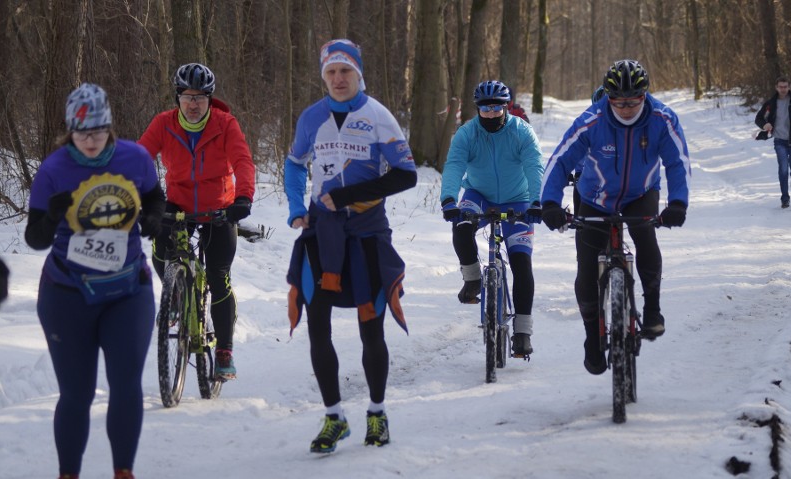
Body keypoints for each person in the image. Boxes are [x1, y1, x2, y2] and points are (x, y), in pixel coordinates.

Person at [25, 83, 165, 479]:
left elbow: (155, 197)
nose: (91, 140)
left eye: (99, 131)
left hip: (128, 291)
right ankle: (68, 473)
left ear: (110, 127)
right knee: (77, 394)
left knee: (125, 386)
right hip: (67, 295)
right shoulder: (53, 169)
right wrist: (52, 217)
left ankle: (124, 471)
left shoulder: (134, 158)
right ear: (70, 130)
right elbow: (34, 239)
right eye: (83, 133)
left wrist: (154, 218)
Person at [285, 39, 417, 453]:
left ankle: (377, 414)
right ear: (323, 76)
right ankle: (333, 417)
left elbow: (406, 175)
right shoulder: (311, 118)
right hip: (322, 234)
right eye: (331, 73)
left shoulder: (378, 117)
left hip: (366, 234)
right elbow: (293, 164)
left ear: (359, 74)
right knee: (317, 328)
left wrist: (347, 196)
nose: (338, 79)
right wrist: (295, 209)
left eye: (346, 72)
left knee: (370, 329)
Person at [539, 60, 691, 375]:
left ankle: (652, 309)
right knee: (586, 267)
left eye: (632, 101)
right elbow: (559, 161)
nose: (624, 108)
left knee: (645, 236)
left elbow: (677, 162)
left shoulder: (662, 119)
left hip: (640, 193)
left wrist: (677, 203)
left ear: (644, 96)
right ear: (606, 97)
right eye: (617, 101)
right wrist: (550, 204)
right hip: (594, 198)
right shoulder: (591, 122)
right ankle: (592, 337)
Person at [138, 63, 255, 380]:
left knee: (218, 276)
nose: (193, 104)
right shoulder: (164, 124)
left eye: (200, 97)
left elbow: (243, 160)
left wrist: (243, 198)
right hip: (177, 204)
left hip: (220, 207)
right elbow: (138, 157)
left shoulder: (224, 124)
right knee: (161, 254)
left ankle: (224, 350)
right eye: (187, 96)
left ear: (209, 99)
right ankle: (175, 294)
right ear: (177, 97)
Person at [440, 80, 544, 358]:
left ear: (506, 106)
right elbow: (454, 166)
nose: (491, 113)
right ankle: (473, 278)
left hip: (518, 199)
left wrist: (536, 201)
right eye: (485, 108)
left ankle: (522, 331)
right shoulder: (467, 134)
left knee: (521, 262)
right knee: (461, 226)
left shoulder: (522, 132)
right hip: (479, 195)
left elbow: (535, 165)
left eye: (497, 107)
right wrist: (449, 199)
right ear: (477, 108)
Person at [754, 76, 791, 208]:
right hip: (779, 140)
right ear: (776, 87)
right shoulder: (771, 103)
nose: (783, 89)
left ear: (789, 87)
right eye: (780, 87)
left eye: (785, 86)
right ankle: (785, 198)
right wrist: (765, 125)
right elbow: (758, 118)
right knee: (783, 169)